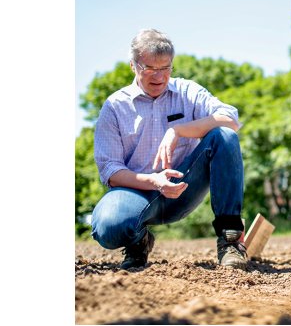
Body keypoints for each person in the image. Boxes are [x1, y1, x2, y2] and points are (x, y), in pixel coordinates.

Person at [91, 29, 248, 270]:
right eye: (150, 69)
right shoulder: (114, 107)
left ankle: (230, 239)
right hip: (136, 192)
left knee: (223, 136)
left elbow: (231, 120)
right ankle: (138, 241)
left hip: (184, 187)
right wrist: (154, 181)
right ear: (133, 65)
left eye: (166, 68)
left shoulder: (187, 92)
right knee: (108, 227)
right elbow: (110, 170)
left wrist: (178, 130)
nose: (159, 77)